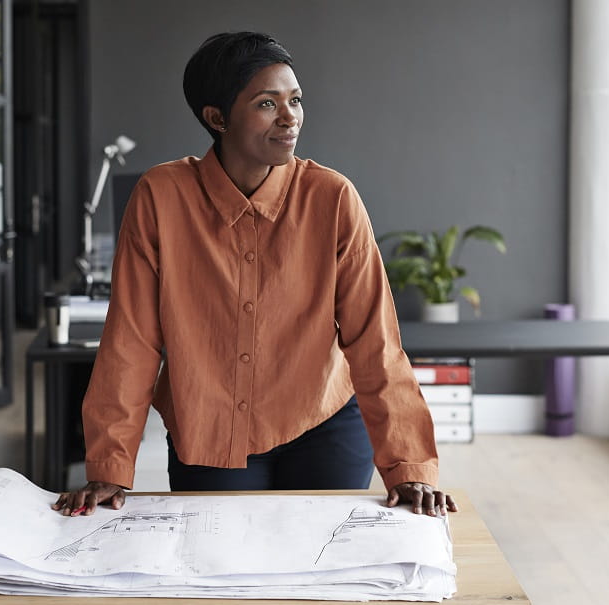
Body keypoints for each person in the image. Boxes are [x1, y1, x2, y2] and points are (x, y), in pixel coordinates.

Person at [53, 31, 456, 518]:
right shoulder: (160, 197)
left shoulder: (333, 199)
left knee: (321, 572)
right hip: (209, 427)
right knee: (220, 574)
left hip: (323, 422)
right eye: (268, 103)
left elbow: (376, 342)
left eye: (296, 100)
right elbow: (132, 339)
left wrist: (409, 465)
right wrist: (108, 468)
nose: (290, 118)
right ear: (216, 117)